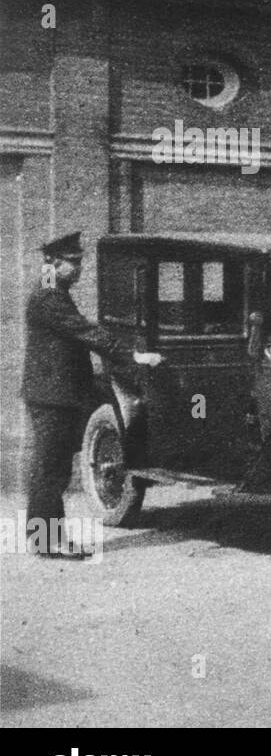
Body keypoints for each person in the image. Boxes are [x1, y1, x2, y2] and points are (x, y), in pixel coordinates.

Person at [21, 232, 162, 559]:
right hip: (52, 397)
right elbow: (85, 332)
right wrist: (133, 355)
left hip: (54, 395)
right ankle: (46, 540)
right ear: (54, 263)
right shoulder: (48, 297)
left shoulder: (53, 292)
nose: (80, 268)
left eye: (80, 262)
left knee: (50, 468)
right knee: (51, 470)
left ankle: (41, 538)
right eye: (74, 262)